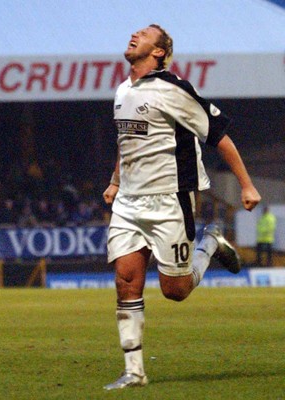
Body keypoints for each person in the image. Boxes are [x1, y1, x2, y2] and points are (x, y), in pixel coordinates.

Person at [102, 24, 261, 390]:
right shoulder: (123, 89)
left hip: (170, 198)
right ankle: (135, 371)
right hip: (129, 201)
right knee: (126, 280)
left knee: (175, 290)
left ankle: (211, 244)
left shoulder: (175, 90)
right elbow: (127, 141)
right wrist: (115, 181)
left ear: (158, 52)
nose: (133, 35)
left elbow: (218, 135)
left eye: (143, 35)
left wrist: (247, 185)